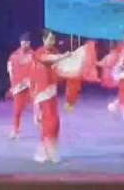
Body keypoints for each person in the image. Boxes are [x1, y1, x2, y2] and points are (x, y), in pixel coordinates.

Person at [30, 29, 72, 163]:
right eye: (50, 39)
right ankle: (50, 152)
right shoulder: (39, 53)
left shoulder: (54, 51)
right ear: (44, 40)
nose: (52, 42)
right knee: (49, 122)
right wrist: (63, 56)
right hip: (42, 94)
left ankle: (43, 152)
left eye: (53, 39)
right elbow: (49, 60)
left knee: (55, 123)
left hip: (52, 92)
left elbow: (60, 66)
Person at [6, 32, 35, 139]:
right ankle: (15, 130)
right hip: (19, 87)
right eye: (22, 43)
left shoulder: (34, 55)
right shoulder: (14, 56)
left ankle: (44, 130)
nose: (24, 45)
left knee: (39, 107)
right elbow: (11, 71)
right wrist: (13, 85)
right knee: (17, 110)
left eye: (26, 43)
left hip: (31, 86)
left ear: (29, 43)